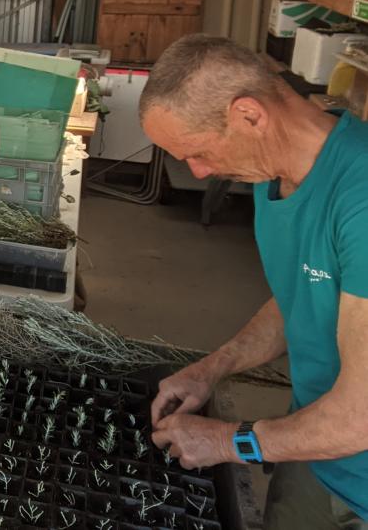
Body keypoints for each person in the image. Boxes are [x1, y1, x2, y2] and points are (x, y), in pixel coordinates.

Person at [139, 34, 368, 529]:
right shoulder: (273, 178)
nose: (199, 171)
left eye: (198, 153)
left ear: (249, 115)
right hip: (310, 445)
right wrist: (211, 368)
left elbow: (359, 417)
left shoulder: (361, 199)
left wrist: (229, 441)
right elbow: (300, 299)